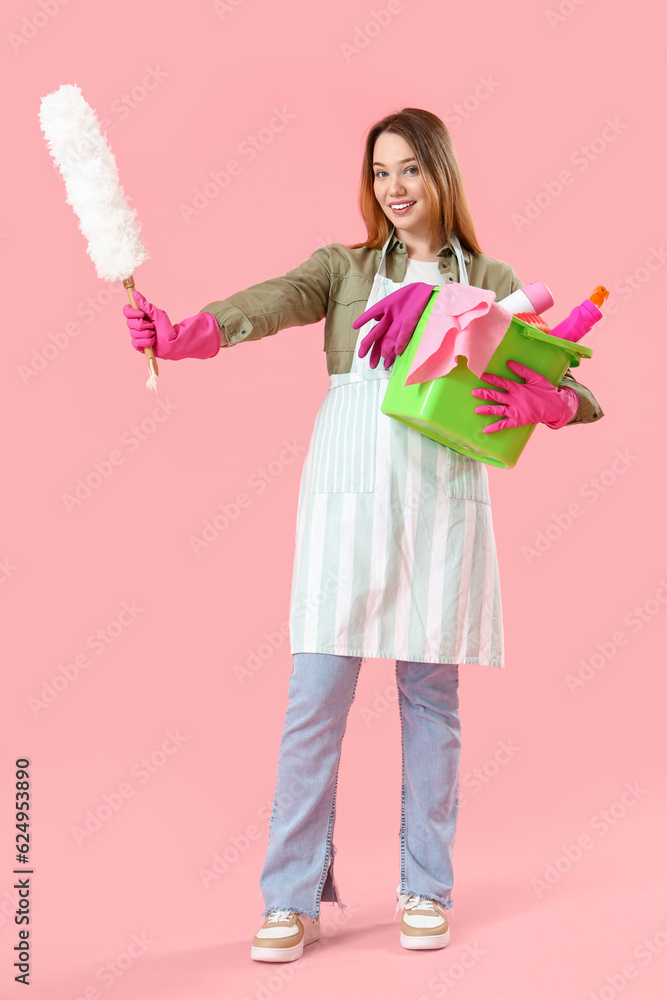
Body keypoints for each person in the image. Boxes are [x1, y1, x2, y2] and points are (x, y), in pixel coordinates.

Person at [123, 108, 604, 962]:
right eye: (381, 172)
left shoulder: (492, 273)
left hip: (440, 500)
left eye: (410, 169)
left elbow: (564, 379)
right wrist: (188, 333)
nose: (394, 188)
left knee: (431, 701)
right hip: (348, 496)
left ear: (441, 175)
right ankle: (290, 897)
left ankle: (426, 885)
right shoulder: (342, 270)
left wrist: (545, 400)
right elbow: (266, 304)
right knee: (315, 700)